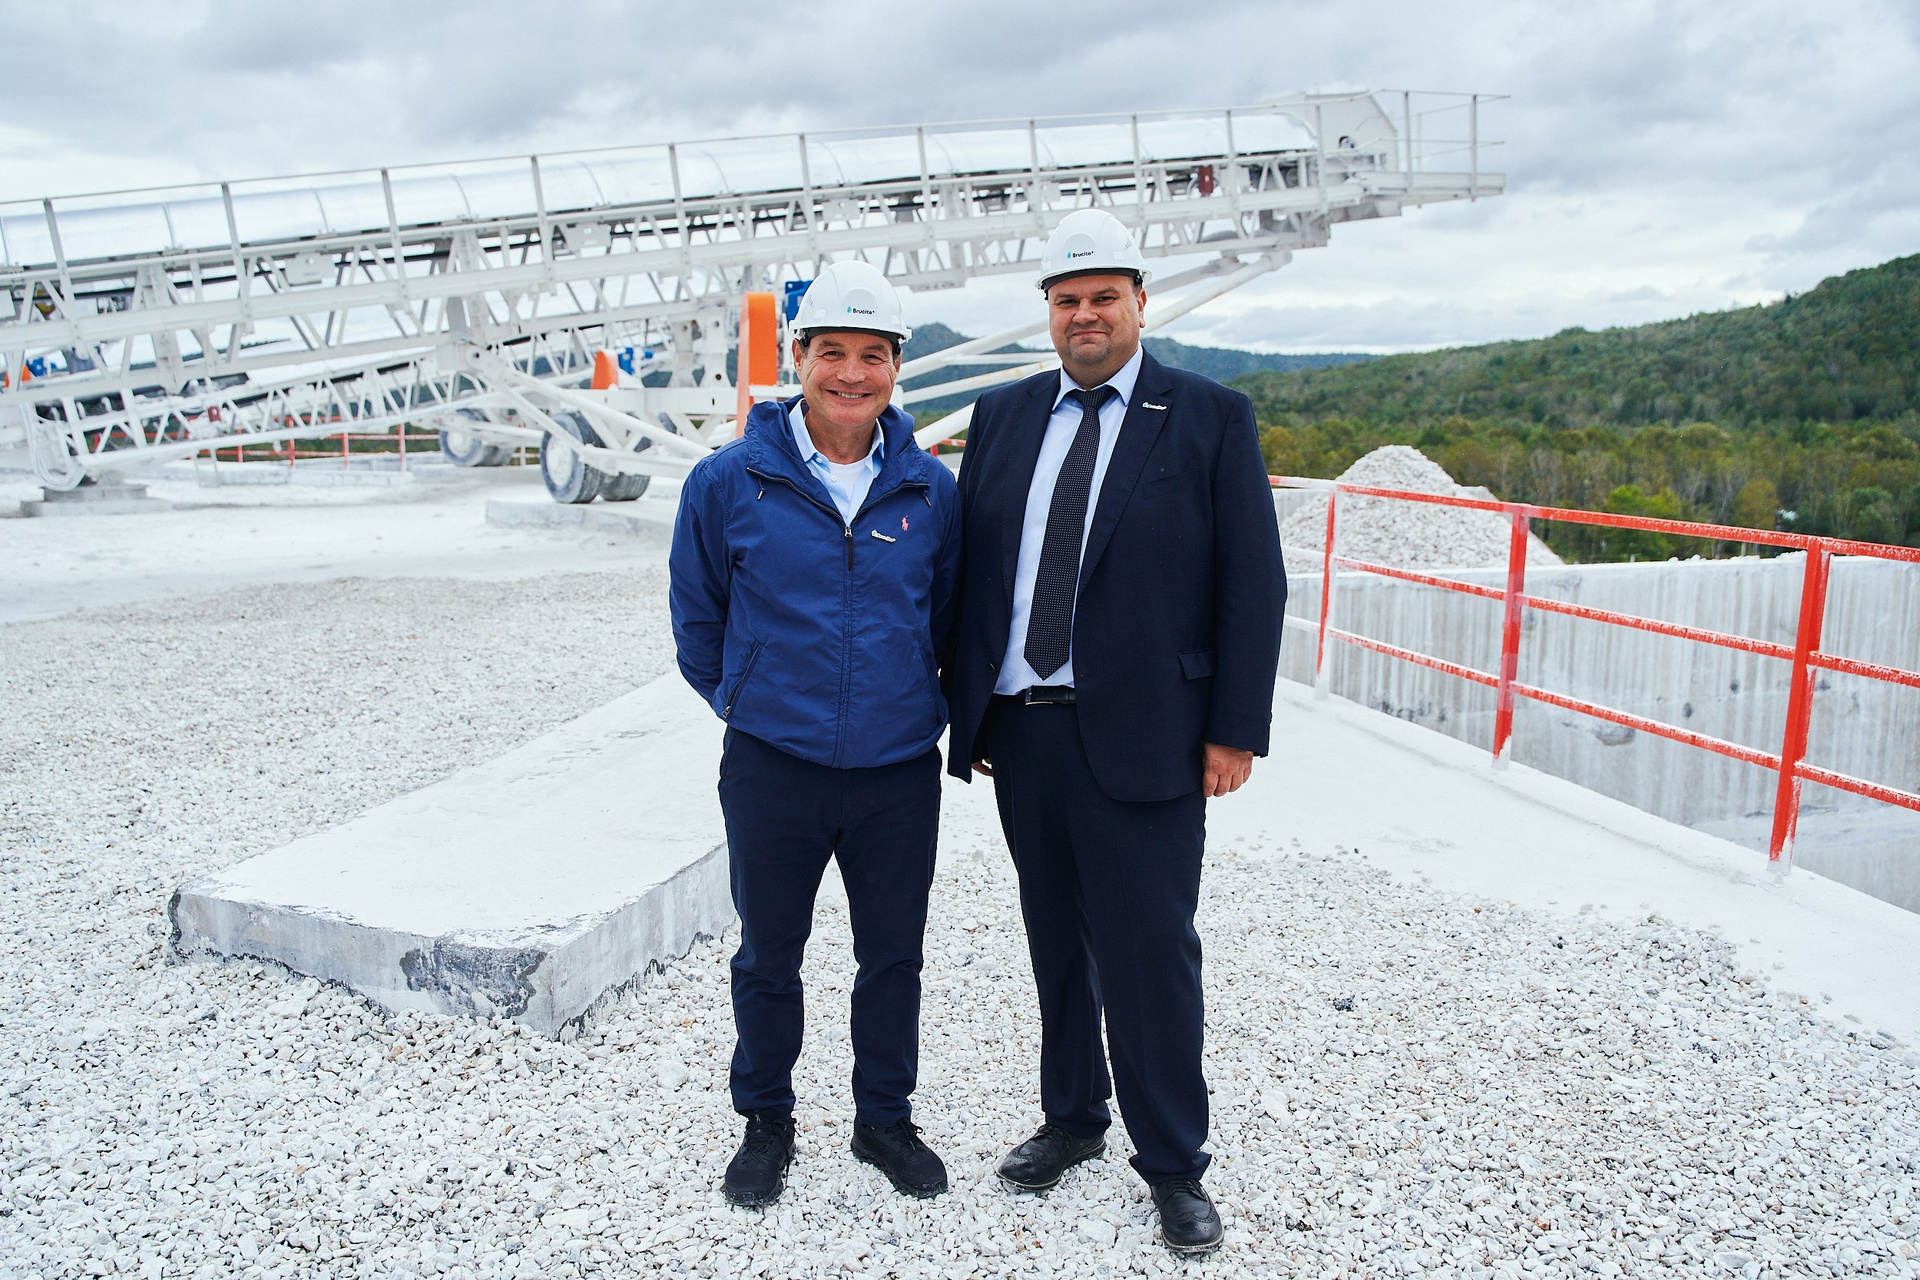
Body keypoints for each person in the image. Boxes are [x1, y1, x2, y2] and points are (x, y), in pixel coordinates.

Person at [945, 209, 1286, 1254]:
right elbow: (974, 571)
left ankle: (1175, 1163)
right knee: (1056, 943)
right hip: (1025, 732)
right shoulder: (1003, 416)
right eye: (1066, 299)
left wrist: (1235, 729)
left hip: (1149, 736)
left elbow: (1253, 582)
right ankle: (1073, 1117)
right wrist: (970, 707)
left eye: (1103, 296)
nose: (1084, 314)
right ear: (1047, 312)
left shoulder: (1208, 416)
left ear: (1140, 302)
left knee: (1149, 956)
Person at [670, 259, 961, 1208]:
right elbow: (698, 619)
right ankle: (766, 1120)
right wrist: (746, 701)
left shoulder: (930, 492)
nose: (851, 373)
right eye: (831, 351)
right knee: (768, 954)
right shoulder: (729, 482)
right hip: (774, 765)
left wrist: (909, 704)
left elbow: (947, 621)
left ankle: (884, 1120)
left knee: (894, 956)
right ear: (798, 356)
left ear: (895, 367)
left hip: (895, 771)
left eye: (872, 355)